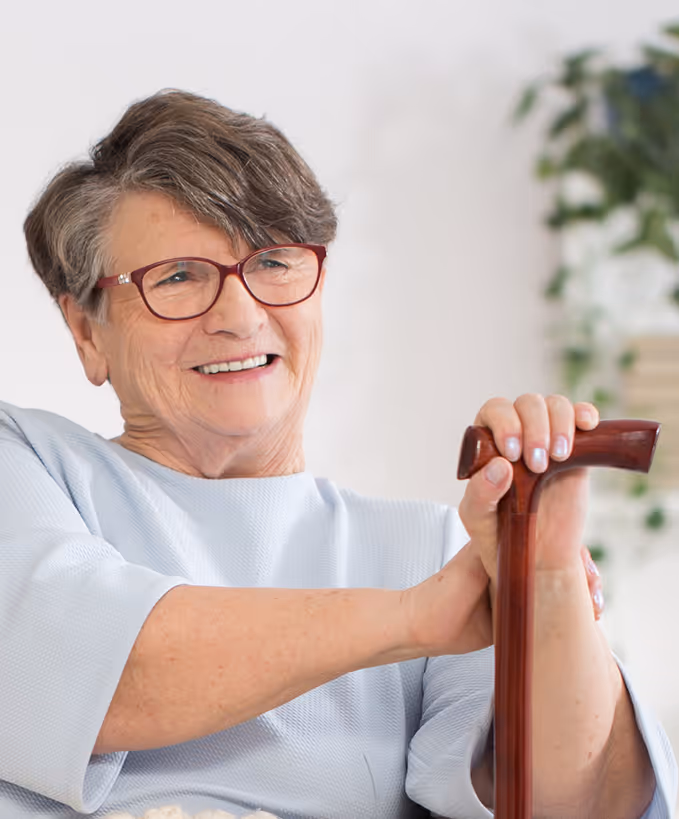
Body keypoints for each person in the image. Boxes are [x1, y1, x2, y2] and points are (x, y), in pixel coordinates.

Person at [0, 89, 675, 819]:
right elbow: (75, 674)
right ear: (86, 332)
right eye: (177, 277)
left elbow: (576, 805)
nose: (239, 314)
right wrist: (412, 617)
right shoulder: (28, 462)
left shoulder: (433, 547)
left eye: (275, 262)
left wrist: (544, 580)